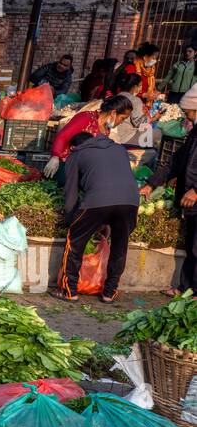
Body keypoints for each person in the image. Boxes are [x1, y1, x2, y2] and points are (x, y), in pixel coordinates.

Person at [58, 127, 141, 303]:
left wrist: (70, 219)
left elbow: (70, 192)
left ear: (73, 147)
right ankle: (109, 293)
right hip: (131, 202)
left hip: (97, 201)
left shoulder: (76, 154)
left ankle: (69, 291)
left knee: (75, 243)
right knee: (120, 246)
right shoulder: (119, 149)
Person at [142, 85, 197, 296]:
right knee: (191, 244)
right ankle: (185, 288)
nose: (187, 117)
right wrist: (152, 182)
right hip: (190, 198)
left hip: (195, 195)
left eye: (190, 112)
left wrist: (195, 190)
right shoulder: (194, 133)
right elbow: (176, 161)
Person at [45, 94, 135, 180]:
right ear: (114, 113)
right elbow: (63, 135)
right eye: (122, 118)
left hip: (85, 169)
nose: (122, 122)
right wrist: (55, 157)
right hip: (66, 166)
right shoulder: (86, 117)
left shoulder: (106, 129)